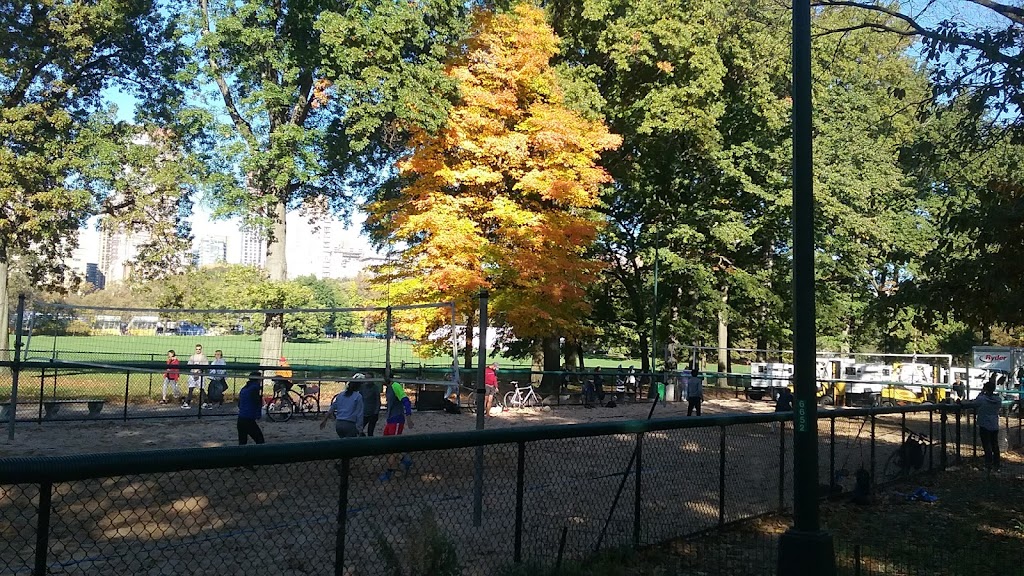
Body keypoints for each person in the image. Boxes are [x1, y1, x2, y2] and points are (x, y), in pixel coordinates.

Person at [379, 375, 415, 481]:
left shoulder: (395, 386)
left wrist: (408, 417)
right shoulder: (389, 388)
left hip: (397, 420)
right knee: (386, 445)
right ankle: (404, 459)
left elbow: (406, 401)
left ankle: (389, 472)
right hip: (390, 420)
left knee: (393, 447)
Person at [971, 374, 1003, 472]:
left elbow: (974, 403)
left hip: (984, 424)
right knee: (995, 445)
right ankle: (996, 464)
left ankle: (988, 464)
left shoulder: (982, 399)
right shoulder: (998, 400)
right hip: (994, 424)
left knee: (987, 445)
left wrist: (981, 392)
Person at [237, 371, 265, 445]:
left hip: (241, 418)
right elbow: (257, 403)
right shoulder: (254, 389)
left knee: (242, 442)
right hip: (248, 419)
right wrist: (258, 414)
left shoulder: (244, 388)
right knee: (260, 440)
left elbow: (239, 404)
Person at [183, 343, 208, 409]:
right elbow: (189, 365)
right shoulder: (192, 357)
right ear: (195, 349)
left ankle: (205, 402)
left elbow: (206, 365)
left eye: (199, 349)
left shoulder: (203, 357)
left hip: (200, 375)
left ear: (201, 349)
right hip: (192, 375)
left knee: (202, 389)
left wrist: (199, 370)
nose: (198, 350)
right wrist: (194, 370)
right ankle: (187, 403)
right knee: (191, 389)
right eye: (197, 349)